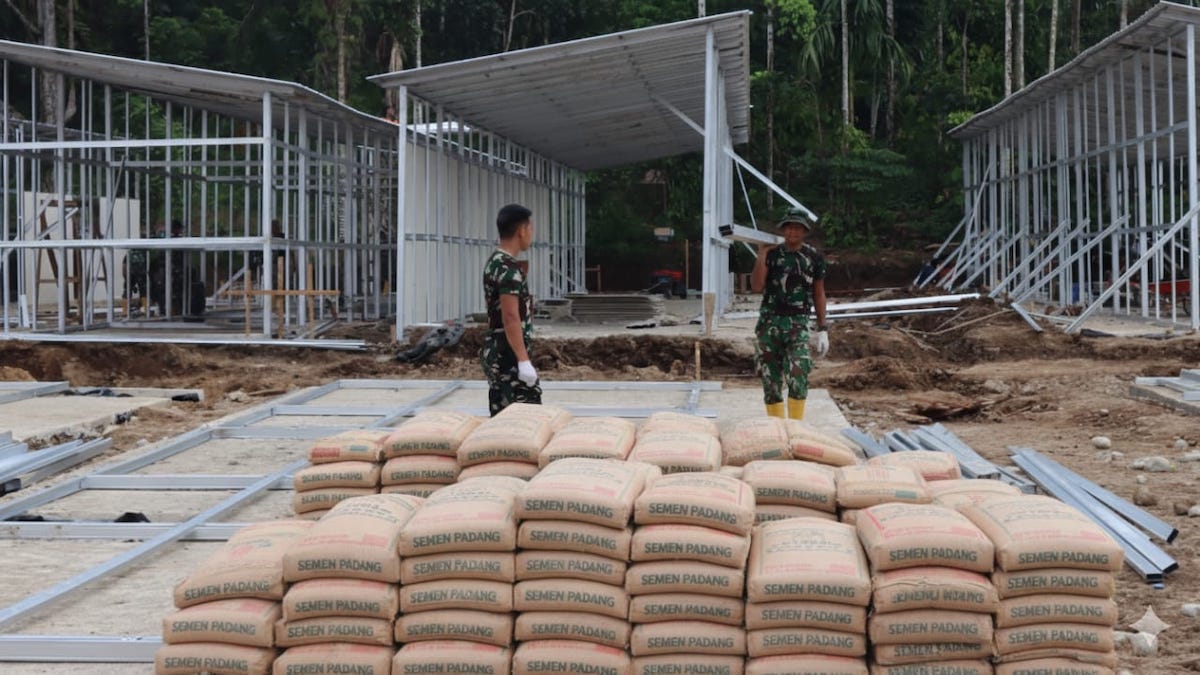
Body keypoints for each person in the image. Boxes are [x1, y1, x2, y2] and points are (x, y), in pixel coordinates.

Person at [751, 207, 829, 420]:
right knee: (770, 378)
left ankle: (796, 426)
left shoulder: (813, 257)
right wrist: (761, 254)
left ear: (804, 231)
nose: (792, 232)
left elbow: (819, 293)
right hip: (769, 322)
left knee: (798, 372)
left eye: (797, 228)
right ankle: (776, 425)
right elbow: (756, 286)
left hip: (798, 322)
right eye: (789, 227)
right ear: (783, 229)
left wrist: (822, 328)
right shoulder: (772, 254)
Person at [480, 204, 542, 416]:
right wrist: (523, 361)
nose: (531, 234)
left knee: (503, 412)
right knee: (522, 417)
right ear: (521, 231)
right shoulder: (509, 270)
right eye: (530, 228)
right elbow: (510, 316)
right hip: (508, 355)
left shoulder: (495, 262)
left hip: (499, 351)